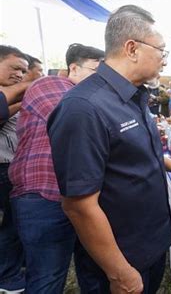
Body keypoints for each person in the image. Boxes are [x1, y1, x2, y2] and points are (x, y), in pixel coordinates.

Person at [47, 5, 171, 294]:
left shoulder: (135, 96)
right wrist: (119, 273)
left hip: (150, 245)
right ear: (132, 48)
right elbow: (79, 207)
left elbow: (143, 152)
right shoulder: (84, 108)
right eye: (161, 51)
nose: (164, 61)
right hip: (121, 258)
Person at [8, 43, 104, 293]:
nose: (103, 77)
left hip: (77, 197)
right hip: (44, 197)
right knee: (47, 279)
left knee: (91, 270)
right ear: (73, 67)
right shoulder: (51, 85)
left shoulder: (92, 97)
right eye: (97, 70)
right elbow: (83, 123)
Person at [0, 45, 29, 294]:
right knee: (11, 224)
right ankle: (7, 277)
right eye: (15, 68)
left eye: (24, 71)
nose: (20, 75)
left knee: (13, 223)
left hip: (11, 167)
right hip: (2, 168)